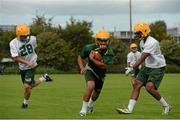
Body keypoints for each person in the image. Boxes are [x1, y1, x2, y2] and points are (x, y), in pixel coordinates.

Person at [116, 21, 171, 115]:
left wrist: (131, 68)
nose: (137, 35)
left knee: (149, 87)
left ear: (144, 32)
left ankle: (166, 106)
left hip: (158, 67)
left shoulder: (152, 42)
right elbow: (143, 59)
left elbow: (142, 57)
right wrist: (135, 70)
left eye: (138, 33)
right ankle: (129, 109)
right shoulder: (142, 42)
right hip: (148, 66)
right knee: (137, 84)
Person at [9, 24, 53, 109]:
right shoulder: (13, 43)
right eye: (23, 36)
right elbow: (15, 57)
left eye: (26, 35)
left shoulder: (33, 39)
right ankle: (44, 78)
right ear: (18, 35)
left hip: (32, 66)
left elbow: (38, 46)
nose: (25, 37)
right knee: (30, 86)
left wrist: (32, 61)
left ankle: (25, 103)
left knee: (26, 86)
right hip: (22, 67)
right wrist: (27, 62)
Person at [78, 29, 114, 116]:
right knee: (90, 86)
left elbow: (104, 66)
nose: (104, 42)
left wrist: (92, 59)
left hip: (101, 74)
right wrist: (82, 67)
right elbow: (80, 56)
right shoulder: (89, 47)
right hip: (90, 69)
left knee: (96, 93)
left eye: (105, 40)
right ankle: (83, 109)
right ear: (97, 40)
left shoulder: (109, 51)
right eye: (101, 40)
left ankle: (90, 104)